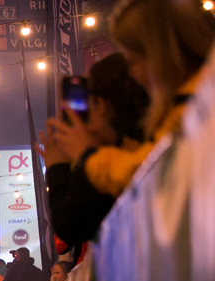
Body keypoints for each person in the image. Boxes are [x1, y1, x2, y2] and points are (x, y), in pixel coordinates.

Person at [48, 0, 215, 201]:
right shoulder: (196, 101)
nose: (131, 73)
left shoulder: (196, 110)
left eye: (133, 61)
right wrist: (116, 140)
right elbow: (158, 159)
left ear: (158, 54)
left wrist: (87, 156)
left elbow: (149, 176)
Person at [38, 54, 149, 252]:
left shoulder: (104, 158)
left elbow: (70, 226)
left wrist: (59, 166)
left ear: (101, 105)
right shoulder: (161, 134)